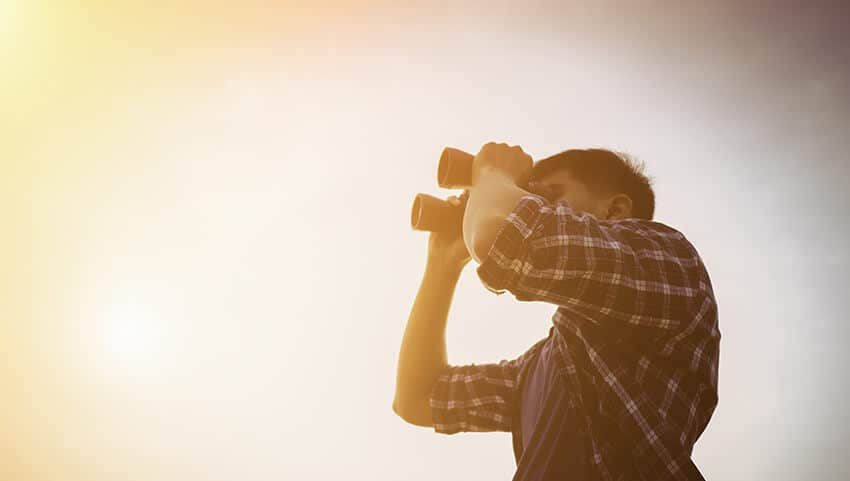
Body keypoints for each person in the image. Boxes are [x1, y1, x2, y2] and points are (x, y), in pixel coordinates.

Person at [393, 142, 720, 480]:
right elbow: (418, 397)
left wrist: (493, 172)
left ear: (615, 210)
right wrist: (441, 263)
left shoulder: (665, 260)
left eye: (547, 197)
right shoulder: (544, 364)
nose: (531, 207)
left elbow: (504, 239)